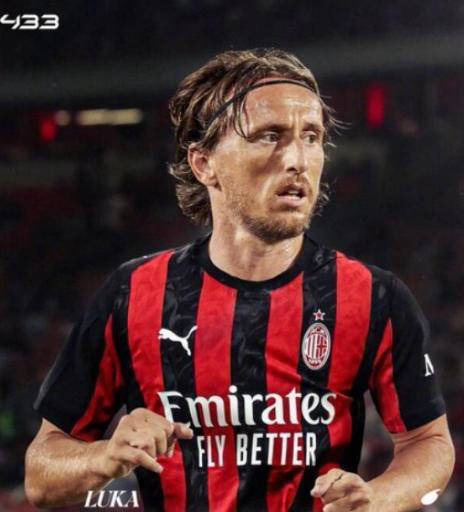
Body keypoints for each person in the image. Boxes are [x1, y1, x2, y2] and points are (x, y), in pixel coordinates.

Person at [25, 48, 454, 512]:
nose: (298, 159)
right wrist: (105, 457)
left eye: (311, 137)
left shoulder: (374, 297)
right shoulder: (133, 294)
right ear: (204, 163)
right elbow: (41, 477)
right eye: (270, 136)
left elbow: (430, 443)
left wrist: (378, 497)